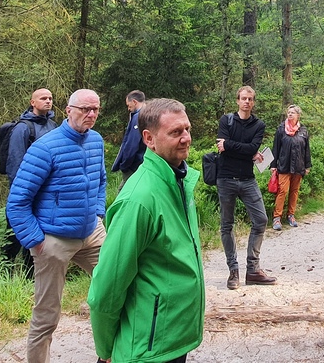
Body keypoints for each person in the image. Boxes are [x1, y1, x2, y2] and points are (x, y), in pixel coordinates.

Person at [88, 98, 205, 363]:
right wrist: (105, 350)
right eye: (175, 132)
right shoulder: (139, 199)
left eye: (187, 129)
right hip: (146, 348)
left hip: (173, 338)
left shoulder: (179, 181)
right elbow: (106, 287)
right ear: (149, 139)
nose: (186, 138)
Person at [6, 89, 107, 363]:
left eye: (95, 109)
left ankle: (110, 354)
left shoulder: (96, 141)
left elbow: (100, 180)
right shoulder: (45, 147)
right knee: (47, 313)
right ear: (68, 109)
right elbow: (17, 202)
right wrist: (37, 241)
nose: (91, 114)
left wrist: (98, 213)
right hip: (54, 239)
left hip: (91, 233)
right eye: (85, 109)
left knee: (117, 288)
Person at [216, 85, 276, 289]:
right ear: (237, 100)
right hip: (225, 179)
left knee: (261, 219)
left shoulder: (258, 124)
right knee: (227, 225)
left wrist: (231, 146)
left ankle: (253, 270)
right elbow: (224, 148)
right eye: (243, 98)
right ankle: (233, 271)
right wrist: (247, 151)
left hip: (247, 179)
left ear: (254, 102)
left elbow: (249, 148)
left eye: (250, 99)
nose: (247, 102)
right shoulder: (227, 120)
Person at [3, 88, 59, 277]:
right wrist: (21, 192)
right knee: (15, 232)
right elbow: (15, 160)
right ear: (32, 102)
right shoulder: (23, 128)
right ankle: (6, 272)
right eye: (43, 98)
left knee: (37, 233)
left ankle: (30, 276)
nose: (48, 101)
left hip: (47, 191)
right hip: (26, 190)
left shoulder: (54, 126)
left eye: (50, 98)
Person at [270, 104, 312, 229]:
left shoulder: (303, 130)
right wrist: (273, 165)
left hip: (299, 166)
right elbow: (276, 147)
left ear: (298, 115)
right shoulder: (281, 129)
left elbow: (306, 150)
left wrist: (307, 166)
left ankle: (291, 215)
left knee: (294, 191)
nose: (289, 114)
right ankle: (277, 218)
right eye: (288, 112)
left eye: (292, 112)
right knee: (282, 191)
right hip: (284, 164)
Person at [111, 89, 146, 189]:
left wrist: (124, 165)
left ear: (134, 102)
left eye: (129, 105)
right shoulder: (149, 114)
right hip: (143, 164)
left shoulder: (138, 117)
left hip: (134, 165)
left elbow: (132, 144)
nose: (128, 109)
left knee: (122, 191)